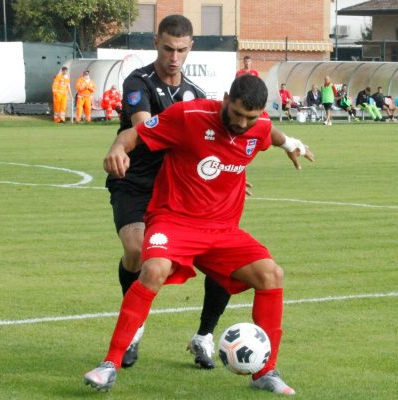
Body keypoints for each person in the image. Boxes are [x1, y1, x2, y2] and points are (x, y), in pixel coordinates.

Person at [105, 14, 312, 372]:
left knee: (224, 259)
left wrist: (225, 172)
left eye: (181, 50)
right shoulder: (140, 82)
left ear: (190, 49)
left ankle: (204, 334)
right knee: (139, 254)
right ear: (156, 43)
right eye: (168, 48)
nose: (174, 56)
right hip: (137, 180)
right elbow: (144, 130)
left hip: (186, 184)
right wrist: (214, 164)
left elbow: (257, 131)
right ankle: (134, 327)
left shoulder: (197, 94)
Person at [85, 74, 299, 395]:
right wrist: (118, 148)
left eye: (249, 117)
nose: (241, 123)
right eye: (237, 113)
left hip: (222, 231)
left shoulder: (259, 126)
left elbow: (270, 132)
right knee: (153, 269)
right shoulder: (190, 116)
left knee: (271, 274)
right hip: (174, 221)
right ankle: (110, 364)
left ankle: (265, 372)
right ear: (226, 98)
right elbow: (134, 134)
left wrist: (292, 144)